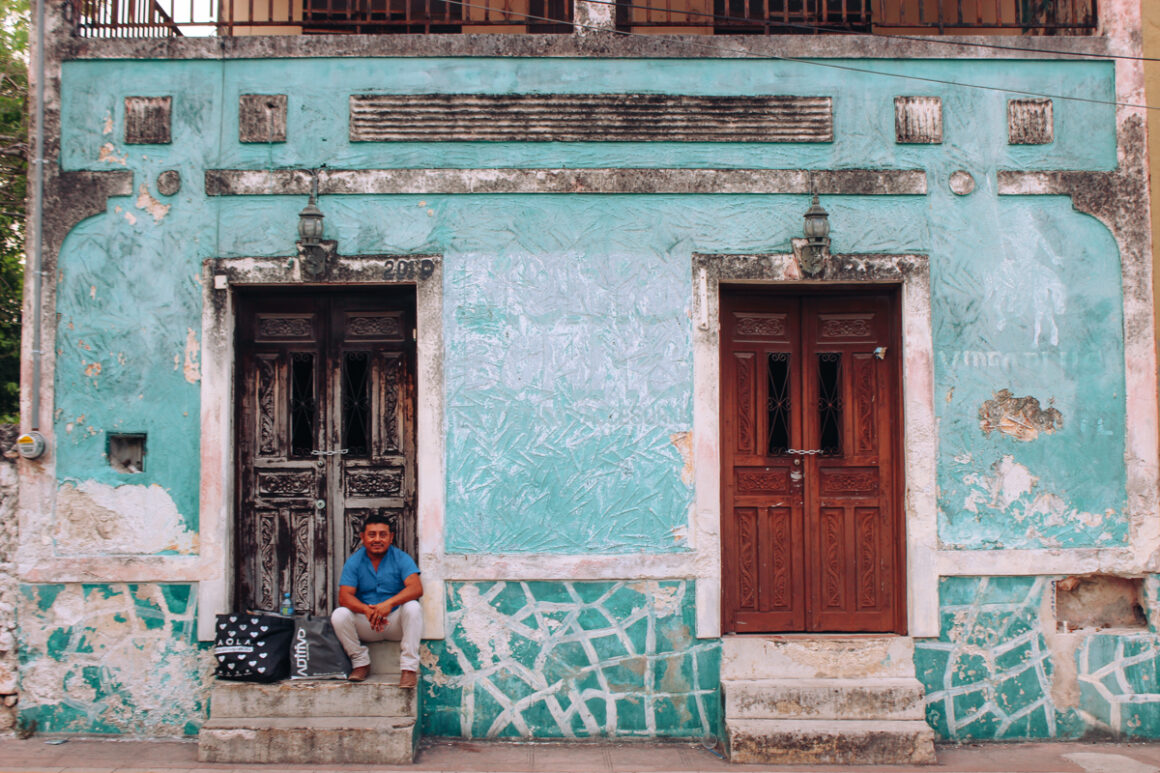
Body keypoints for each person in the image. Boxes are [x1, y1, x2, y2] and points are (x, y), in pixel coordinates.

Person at [331, 513, 423, 687]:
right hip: (368, 624)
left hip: (394, 623)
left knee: (413, 607)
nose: (377, 539)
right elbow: (344, 597)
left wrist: (388, 604)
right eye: (372, 534)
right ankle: (360, 663)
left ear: (391, 537)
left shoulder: (401, 558)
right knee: (339, 614)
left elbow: (416, 588)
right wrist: (367, 610)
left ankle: (409, 669)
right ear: (363, 537)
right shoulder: (355, 562)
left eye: (383, 534)